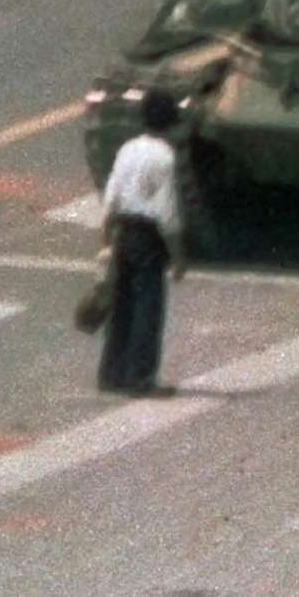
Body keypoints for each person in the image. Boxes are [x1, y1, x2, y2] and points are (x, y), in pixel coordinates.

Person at [96, 89, 188, 396]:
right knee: (148, 306)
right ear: (171, 123)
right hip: (149, 237)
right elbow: (168, 212)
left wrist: (106, 240)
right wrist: (177, 256)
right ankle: (140, 378)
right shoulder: (164, 156)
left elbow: (111, 196)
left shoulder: (128, 149)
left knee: (121, 305)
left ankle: (112, 373)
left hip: (124, 231)